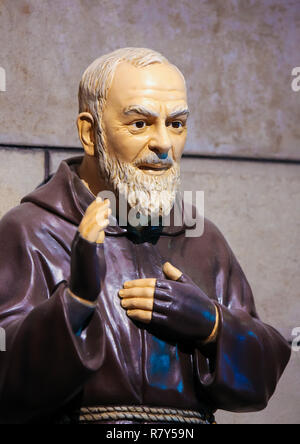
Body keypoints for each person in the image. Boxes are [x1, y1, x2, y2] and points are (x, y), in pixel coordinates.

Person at [0, 48, 290, 424]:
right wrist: (76, 303)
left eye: (177, 124)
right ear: (91, 133)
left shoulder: (203, 241)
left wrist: (213, 325)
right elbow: (7, 381)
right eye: (140, 124)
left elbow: (261, 378)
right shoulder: (32, 231)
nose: (164, 144)